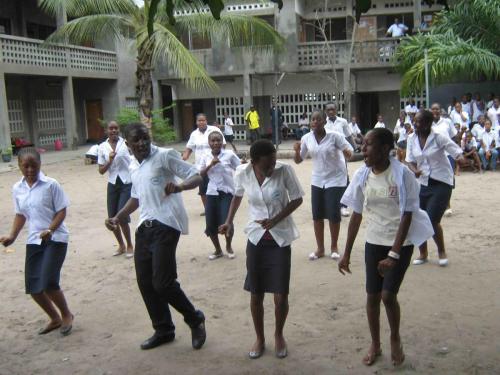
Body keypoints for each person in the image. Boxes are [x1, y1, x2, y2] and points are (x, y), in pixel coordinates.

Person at [106, 123, 206, 351]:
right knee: (145, 282)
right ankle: (163, 329)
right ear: (128, 145)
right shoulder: (132, 164)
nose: (141, 143)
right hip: (145, 226)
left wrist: (180, 187)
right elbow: (136, 196)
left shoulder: (164, 156)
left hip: (167, 223)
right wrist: (118, 217)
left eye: (144, 138)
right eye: (136, 141)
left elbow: (196, 176)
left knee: (163, 283)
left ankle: (194, 318)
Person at [339, 128, 433, 367]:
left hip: (401, 243)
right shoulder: (362, 175)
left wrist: (393, 254)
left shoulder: (402, 175)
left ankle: (394, 338)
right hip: (374, 241)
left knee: (388, 295)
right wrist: (346, 253)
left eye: (368, 145)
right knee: (372, 297)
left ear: (383, 149)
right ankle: (375, 343)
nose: (363, 148)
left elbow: (407, 215)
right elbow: (357, 215)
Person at [219, 139, 304, 359]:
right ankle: (260, 338)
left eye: (274, 163)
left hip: (280, 238)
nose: (271, 168)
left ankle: (278, 334)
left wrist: (276, 219)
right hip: (256, 239)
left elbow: (297, 199)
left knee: (280, 294)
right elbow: (237, 197)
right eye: (267, 165)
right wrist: (228, 221)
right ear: (254, 162)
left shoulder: (284, 171)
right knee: (256, 292)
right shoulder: (243, 173)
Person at [0, 147, 74, 336]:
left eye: (34, 166)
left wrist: (50, 229)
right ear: (19, 166)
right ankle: (54, 318)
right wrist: (12, 236)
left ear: (40, 165)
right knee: (33, 287)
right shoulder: (18, 188)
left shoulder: (51, 185)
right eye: (26, 166)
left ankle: (66, 315)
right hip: (34, 240)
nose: (30, 170)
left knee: (48, 281)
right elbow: (21, 214)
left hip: (56, 238)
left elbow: (62, 211)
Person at [406, 110, 466, 267]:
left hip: (441, 182)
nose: (415, 124)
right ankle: (423, 253)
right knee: (418, 219)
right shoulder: (411, 138)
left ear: (427, 124)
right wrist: (415, 170)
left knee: (432, 220)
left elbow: (454, 150)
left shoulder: (438, 137)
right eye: (415, 121)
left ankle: (441, 251)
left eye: (418, 121)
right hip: (422, 183)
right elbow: (410, 161)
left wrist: (460, 158)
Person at [293, 109, 353, 261]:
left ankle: (334, 247)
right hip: (318, 179)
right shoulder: (306, 138)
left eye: (318, 119)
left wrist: (346, 152)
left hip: (336, 179)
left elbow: (350, 151)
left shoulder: (335, 137)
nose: (314, 122)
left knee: (333, 213)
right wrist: (297, 150)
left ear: (324, 121)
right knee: (317, 214)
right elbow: (298, 160)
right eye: (313, 119)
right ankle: (320, 248)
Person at [200, 132, 240, 260]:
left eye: (218, 140)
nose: (216, 143)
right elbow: (200, 174)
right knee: (210, 222)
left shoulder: (229, 155)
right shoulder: (205, 155)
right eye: (213, 141)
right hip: (211, 192)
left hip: (227, 192)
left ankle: (228, 246)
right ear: (209, 143)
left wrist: (243, 163)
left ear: (222, 142)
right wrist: (211, 164)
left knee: (227, 220)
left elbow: (240, 167)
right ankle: (218, 249)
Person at [97, 121, 134, 258]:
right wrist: (109, 161)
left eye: (116, 128)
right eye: (111, 128)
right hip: (112, 183)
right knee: (112, 217)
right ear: (106, 130)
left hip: (126, 182)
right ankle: (121, 245)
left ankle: (130, 245)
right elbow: (101, 170)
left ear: (119, 130)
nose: (113, 131)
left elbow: (134, 160)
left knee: (122, 215)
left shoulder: (126, 144)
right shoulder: (102, 147)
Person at [183, 113, 225, 215]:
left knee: (217, 187)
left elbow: (223, 144)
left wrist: (219, 157)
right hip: (201, 167)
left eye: (203, 120)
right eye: (199, 120)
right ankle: (208, 209)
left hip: (214, 164)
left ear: (206, 121)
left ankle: (220, 207)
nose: (201, 122)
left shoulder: (214, 130)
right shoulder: (194, 134)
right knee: (203, 189)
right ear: (196, 122)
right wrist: (184, 156)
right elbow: (189, 147)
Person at [325, 102, 354, 217]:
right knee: (328, 180)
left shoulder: (343, 122)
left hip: (342, 155)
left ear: (336, 110)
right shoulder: (323, 123)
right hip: (328, 157)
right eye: (328, 110)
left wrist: (355, 149)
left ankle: (343, 206)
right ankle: (330, 206)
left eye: (333, 109)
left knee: (344, 180)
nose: (331, 111)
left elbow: (348, 136)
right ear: (326, 112)